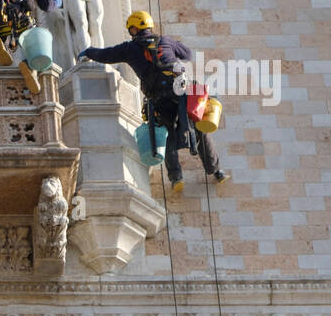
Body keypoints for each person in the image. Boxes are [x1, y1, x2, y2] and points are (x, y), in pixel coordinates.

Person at [78, 10, 227, 193]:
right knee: (198, 126)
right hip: (180, 90)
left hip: (158, 97)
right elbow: (187, 54)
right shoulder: (166, 41)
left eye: (131, 29)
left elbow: (107, 54)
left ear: (135, 29)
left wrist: (89, 52)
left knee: (168, 133)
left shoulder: (129, 48)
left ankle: (176, 177)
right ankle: (216, 170)